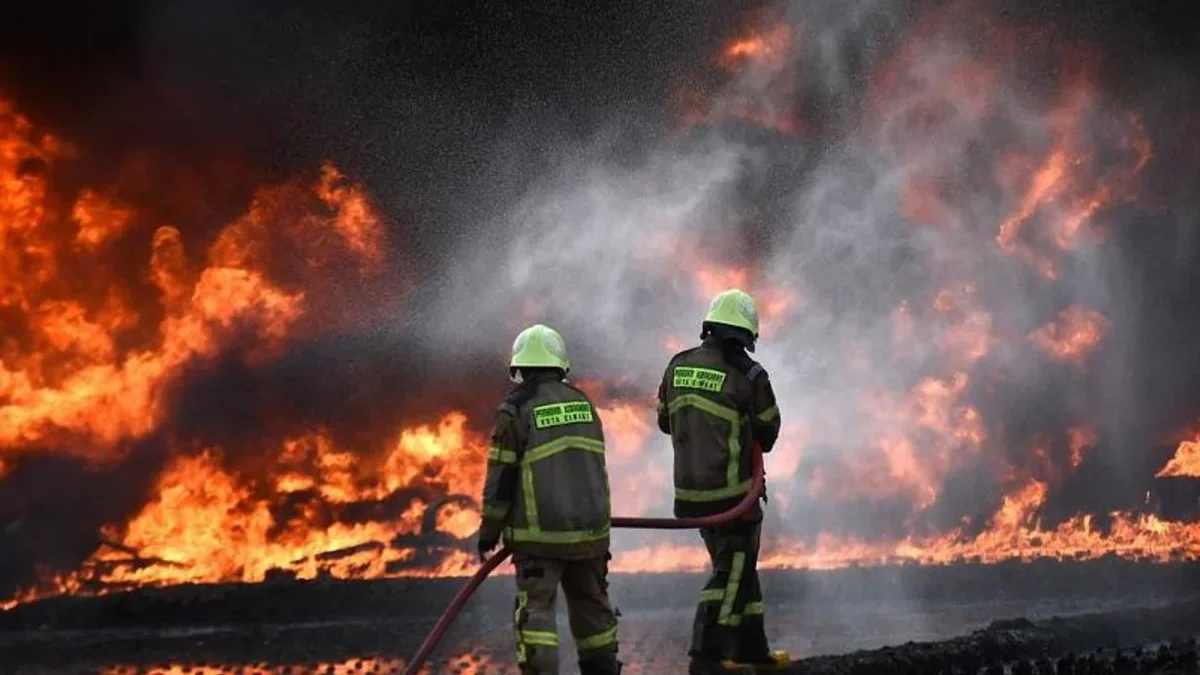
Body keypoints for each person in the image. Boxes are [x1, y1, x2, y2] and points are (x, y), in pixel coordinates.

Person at [656, 289, 788, 674]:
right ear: (744, 336)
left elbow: (665, 421)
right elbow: (770, 429)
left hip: (690, 496)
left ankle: (752, 649)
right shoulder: (750, 375)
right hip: (733, 497)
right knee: (730, 572)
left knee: (739, 568)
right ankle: (707, 656)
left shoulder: (677, 366)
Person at [479, 324, 621, 675]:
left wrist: (489, 529)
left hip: (539, 536)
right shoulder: (584, 404)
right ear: (560, 366)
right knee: (593, 609)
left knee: (537, 613)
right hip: (590, 534)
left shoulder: (515, 409)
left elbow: (501, 475)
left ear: (520, 368)